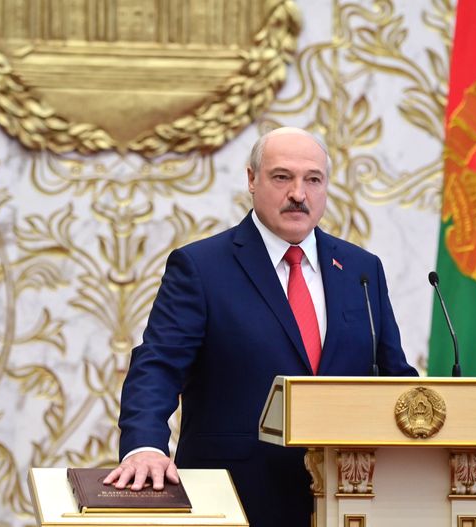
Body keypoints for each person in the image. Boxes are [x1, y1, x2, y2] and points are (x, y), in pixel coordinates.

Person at [105, 127, 418, 526]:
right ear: (252, 179)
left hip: (350, 499)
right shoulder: (202, 267)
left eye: (313, 180)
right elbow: (158, 366)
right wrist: (145, 445)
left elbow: (394, 376)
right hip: (237, 497)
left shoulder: (361, 268)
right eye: (282, 177)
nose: (298, 194)